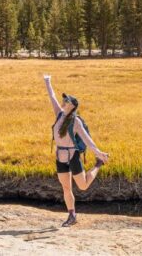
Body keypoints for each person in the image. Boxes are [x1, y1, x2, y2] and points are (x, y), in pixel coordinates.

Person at [43, 74, 109, 227]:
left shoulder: (76, 121)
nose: (63, 101)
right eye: (64, 99)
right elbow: (51, 96)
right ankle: (72, 215)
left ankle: (98, 164)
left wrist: (99, 153)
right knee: (66, 187)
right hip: (60, 156)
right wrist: (47, 81)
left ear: (72, 105)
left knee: (83, 186)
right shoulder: (59, 113)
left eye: (67, 100)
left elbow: (87, 140)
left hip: (73, 156)